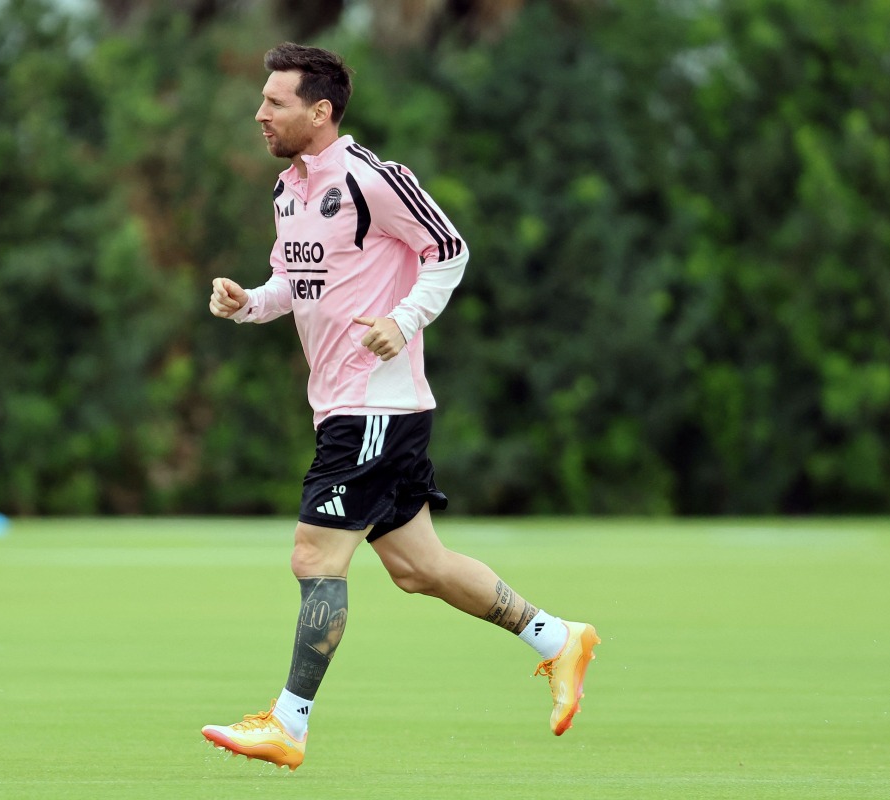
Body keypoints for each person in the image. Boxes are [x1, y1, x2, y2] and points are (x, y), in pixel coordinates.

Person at [201, 42, 600, 771]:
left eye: (275, 102)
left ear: (320, 112)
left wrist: (406, 318)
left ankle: (289, 724)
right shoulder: (288, 192)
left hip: (373, 406)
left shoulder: (372, 179)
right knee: (420, 568)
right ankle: (558, 637)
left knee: (312, 554)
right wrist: (249, 304)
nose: (259, 113)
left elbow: (448, 248)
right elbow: (297, 282)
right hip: (345, 407)